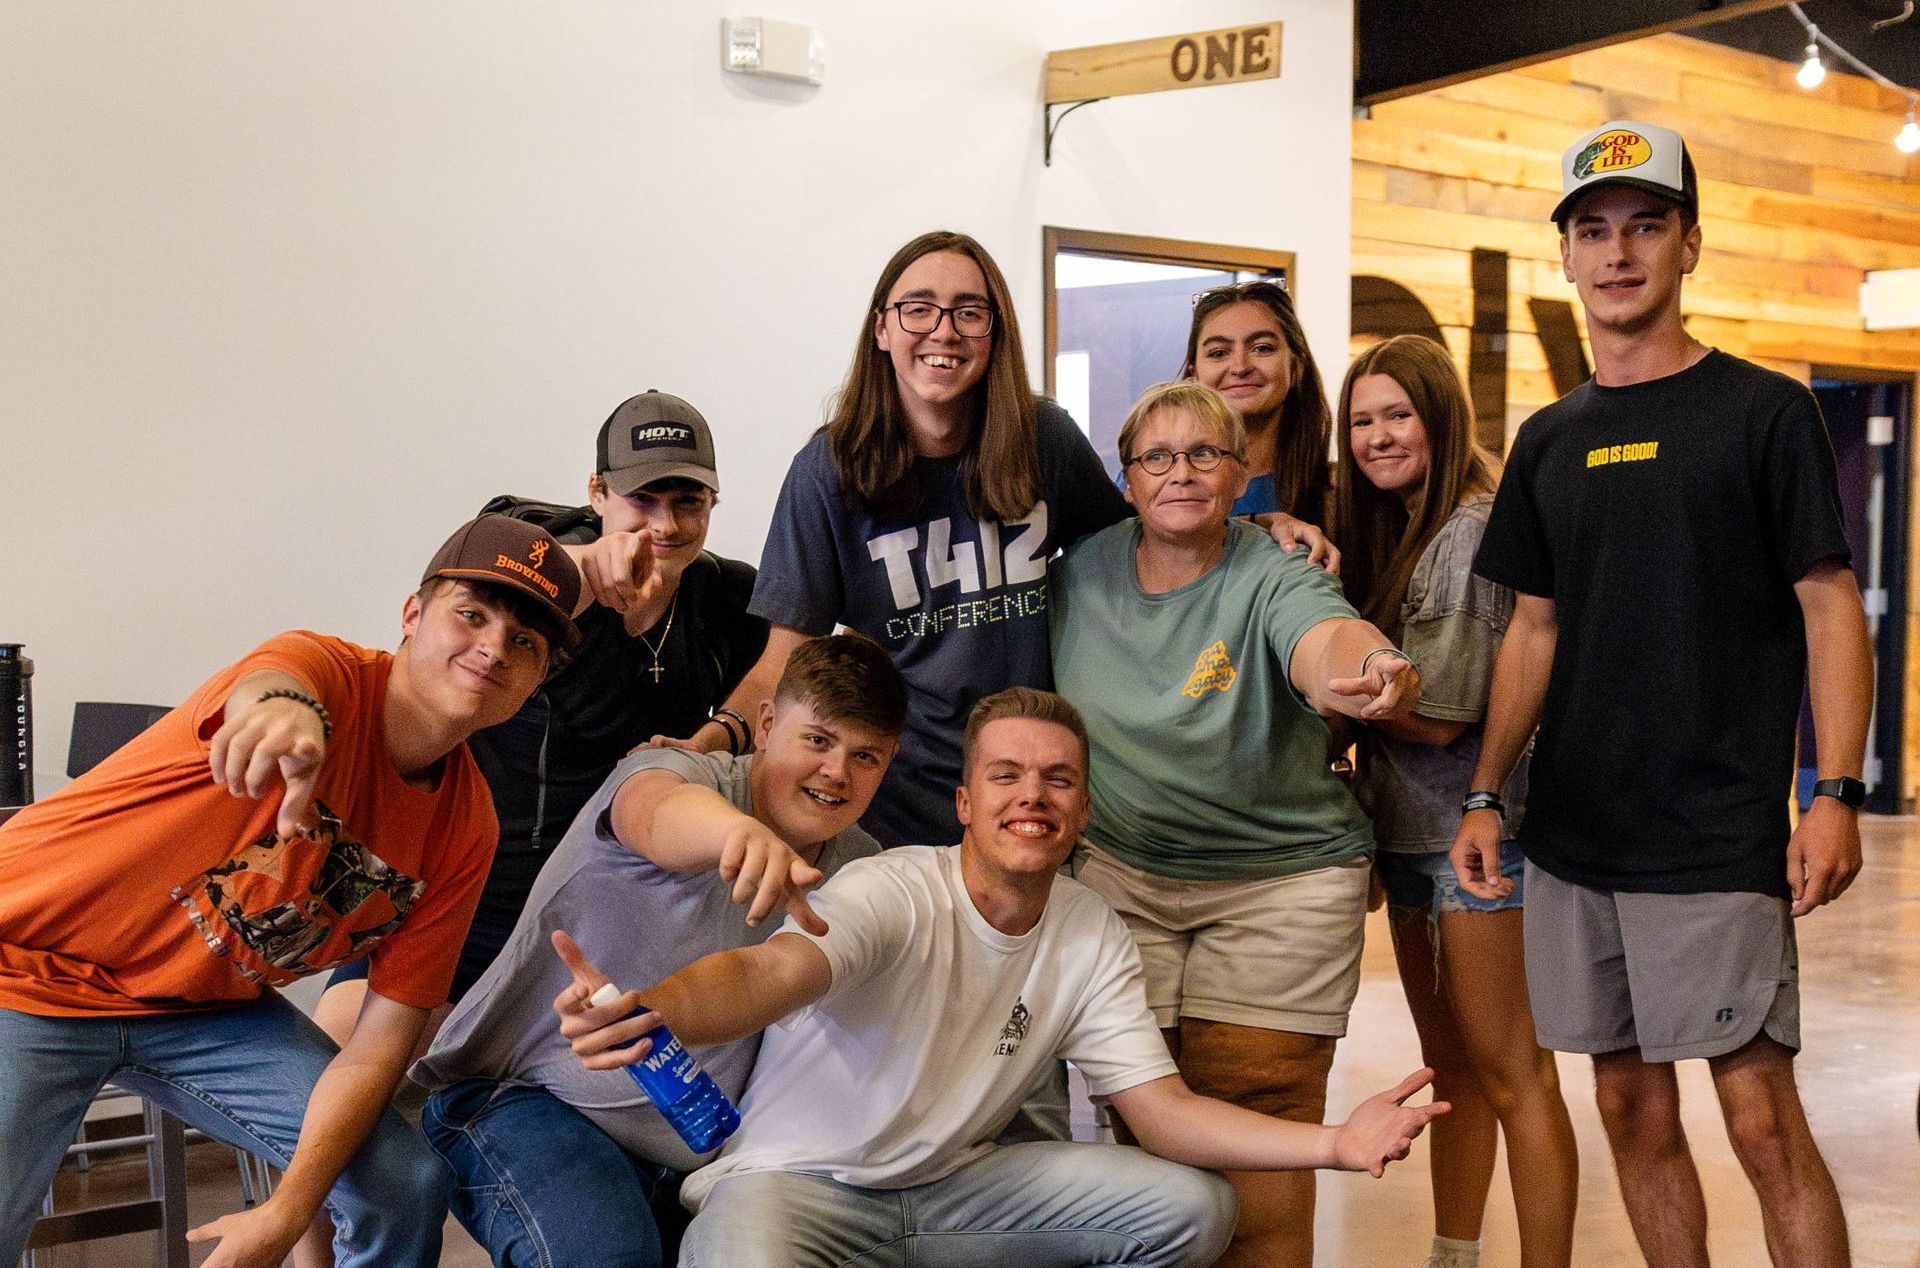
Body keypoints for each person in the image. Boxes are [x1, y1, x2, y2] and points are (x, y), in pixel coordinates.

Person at [557, 688, 1449, 1268]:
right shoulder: (893, 889)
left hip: (954, 1195)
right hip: (800, 1191)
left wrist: (1332, 1144)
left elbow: (1163, 1114)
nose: (1034, 795)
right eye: (1008, 775)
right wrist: (657, 1011)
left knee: (1190, 1208)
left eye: (1059, 780)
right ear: (965, 803)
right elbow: (767, 973)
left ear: (1083, 808)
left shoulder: (1089, 930)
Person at [1452, 120, 1871, 1268]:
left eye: (1645, 226)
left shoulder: (1763, 412)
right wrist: (1487, 791)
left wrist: (1834, 788)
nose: (1619, 252)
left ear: (1691, 242)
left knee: (1761, 1120)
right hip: (1577, 837)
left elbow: (1831, 605)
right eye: (1594, 231)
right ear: (1568, 257)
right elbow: (1532, 626)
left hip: (1718, 831)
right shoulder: (1549, 438)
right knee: (1631, 1112)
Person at [0, 514, 583, 1268]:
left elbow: (379, 1045)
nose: (493, 648)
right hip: (21, 970)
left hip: (201, 1014)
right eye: (471, 614)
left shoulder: (466, 826)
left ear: (537, 679)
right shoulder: (324, 673)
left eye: (525, 643)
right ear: (413, 615)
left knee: (402, 1185)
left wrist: (286, 1211)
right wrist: (285, 715)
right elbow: (273, 686)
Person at [665, 230, 1332, 850]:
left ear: (994, 331)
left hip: (1036, 785)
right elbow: (787, 654)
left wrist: (1254, 525)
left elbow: (1146, 547)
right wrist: (717, 737)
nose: (943, 331)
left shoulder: (1044, 439)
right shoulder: (829, 471)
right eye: (918, 308)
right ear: (882, 329)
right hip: (899, 792)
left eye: (968, 311)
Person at [1048, 379, 1421, 1268]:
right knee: (1142, 1134)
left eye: (1205, 454)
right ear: (1128, 478)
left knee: (1256, 1126)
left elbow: (1327, 638)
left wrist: (1365, 669)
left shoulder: (1273, 571)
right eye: (1158, 457)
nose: (1181, 472)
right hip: (1124, 875)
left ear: (1241, 472)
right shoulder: (1078, 573)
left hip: (1279, 884)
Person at [410, 635, 902, 1268]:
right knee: (611, 1256)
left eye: (866, 757)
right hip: (527, 1100)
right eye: (818, 740)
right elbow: (655, 811)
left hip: (706, 1153)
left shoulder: (862, 866)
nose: (837, 771)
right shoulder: (678, 775)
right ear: (769, 723)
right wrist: (737, 834)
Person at [315, 390, 765, 1020]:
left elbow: (790, 673)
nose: (664, 525)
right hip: (464, 873)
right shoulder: (539, 547)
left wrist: (720, 736)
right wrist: (579, 570)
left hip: (602, 898)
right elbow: (473, 615)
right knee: (343, 1057)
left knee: (542, 1084)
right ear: (597, 492)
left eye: (687, 501)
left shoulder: (726, 595)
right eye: (642, 499)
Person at [1335, 335, 1578, 1268]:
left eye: (1398, 414)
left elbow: (1438, 713)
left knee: (1516, 1074)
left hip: (1477, 840)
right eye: (1362, 420)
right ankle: (1455, 1255)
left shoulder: (1470, 526)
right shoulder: (1396, 530)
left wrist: (1324, 698)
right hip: (1410, 836)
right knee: (1456, 1076)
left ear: (1440, 419)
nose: (1378, 436)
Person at [1182, 278, 1334, 519]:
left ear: (1296, 368)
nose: (1240, 367)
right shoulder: (1152, 483)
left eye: (1262, 348)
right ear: (1194, 375)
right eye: (1219, 353)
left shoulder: (1337, 495)